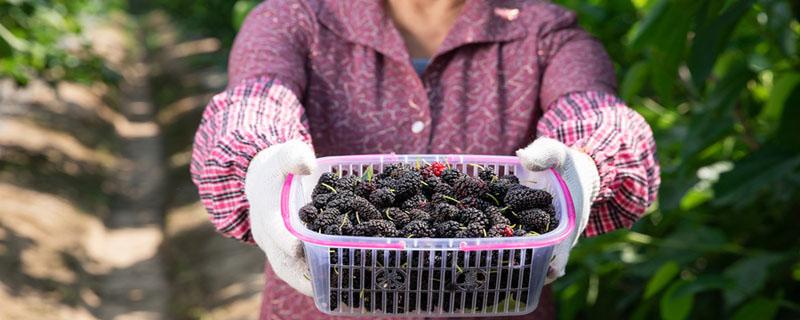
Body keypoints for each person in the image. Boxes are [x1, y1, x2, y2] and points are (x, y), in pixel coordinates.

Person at [190, 0, 660, 318]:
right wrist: (259, 161)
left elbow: (593, 108)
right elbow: (256, 100)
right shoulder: (293, 19)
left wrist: (588, 165)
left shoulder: (547, 34)